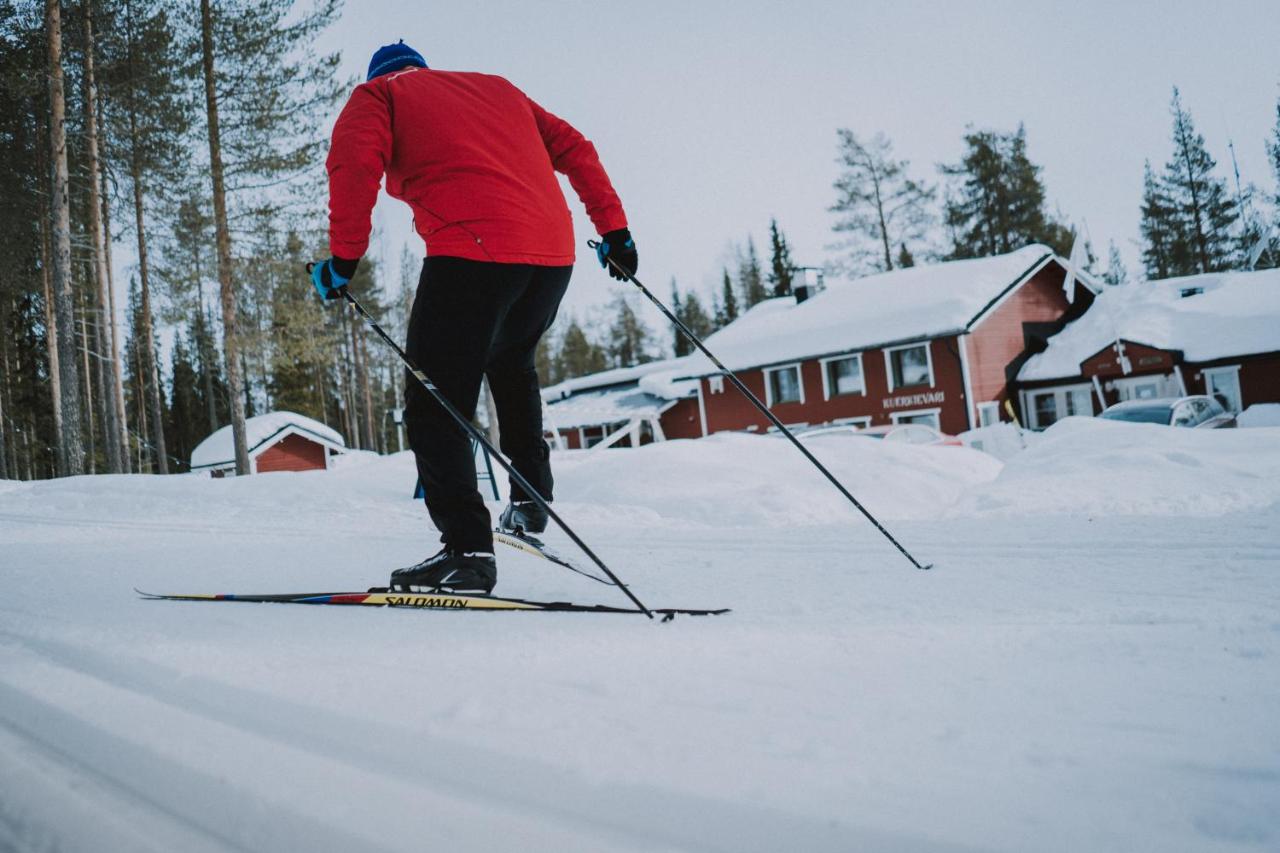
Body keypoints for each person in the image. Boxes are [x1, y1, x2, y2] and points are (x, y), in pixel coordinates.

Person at [310, 40, 637, 595]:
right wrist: (616, 233)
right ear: (425, 69)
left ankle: (467, 551)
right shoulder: (497, 89)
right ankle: (530, 506)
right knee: (512, 367)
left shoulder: (379, 94)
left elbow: (353, 162)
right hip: (551, 258)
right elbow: (576, 148)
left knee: (435, 399)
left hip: (472, 253)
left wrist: (343, 259)